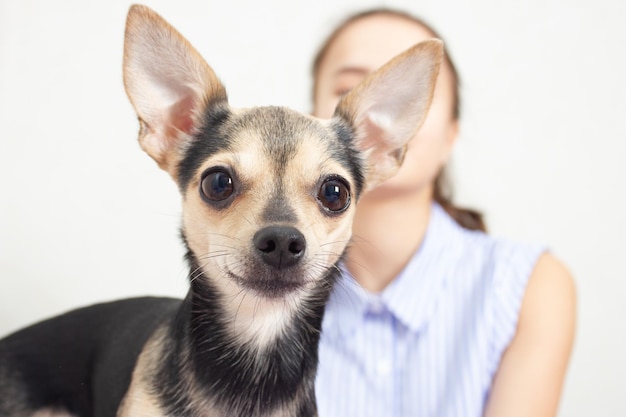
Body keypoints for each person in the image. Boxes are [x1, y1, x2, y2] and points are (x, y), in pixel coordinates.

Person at [311, 9, 576, 417]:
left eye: (412, 94)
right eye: (350, 88)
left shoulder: (528, 287)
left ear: (451, 136)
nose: (379, 112)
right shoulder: (248, 278)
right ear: (310, 118)